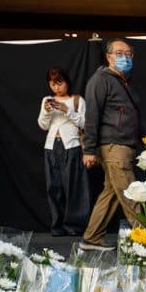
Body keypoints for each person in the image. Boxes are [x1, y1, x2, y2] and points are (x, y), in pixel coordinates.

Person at [79, 38, 146, 251]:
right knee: (130, 195)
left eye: (128, 54)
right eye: (119, 53)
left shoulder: (122, 81)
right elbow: (92, 116)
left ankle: (91, 238)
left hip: (124, 147)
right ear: (108, 56)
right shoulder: (101, 80)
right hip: (113, 147)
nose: (125, 57)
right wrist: (89, 150)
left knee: (111, 194)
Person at [38, 66, 89, 236]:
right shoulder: (47, 100)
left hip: (72, 146)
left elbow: (84, 123)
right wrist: (46, 111)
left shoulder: (77, 100)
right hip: (51, 146)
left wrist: (66, 110)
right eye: (53, 84)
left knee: (74, 187)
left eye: (60, 83)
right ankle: (57, 226)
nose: (57, 88)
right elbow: (43, 125)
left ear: (67, 82)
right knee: (54, 187)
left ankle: (74, 226)